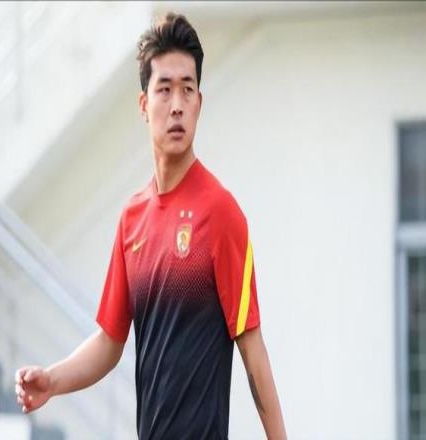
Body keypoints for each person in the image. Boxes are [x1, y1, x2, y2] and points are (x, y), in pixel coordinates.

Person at [15, 12, 286, 439]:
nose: (177, 104)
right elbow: (109, 342)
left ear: (199, 103)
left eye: (187, 89)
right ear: (144, 105)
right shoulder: (132, 219)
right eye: (164, 89)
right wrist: (52, 380)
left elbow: (253, 350)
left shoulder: (221, 212)